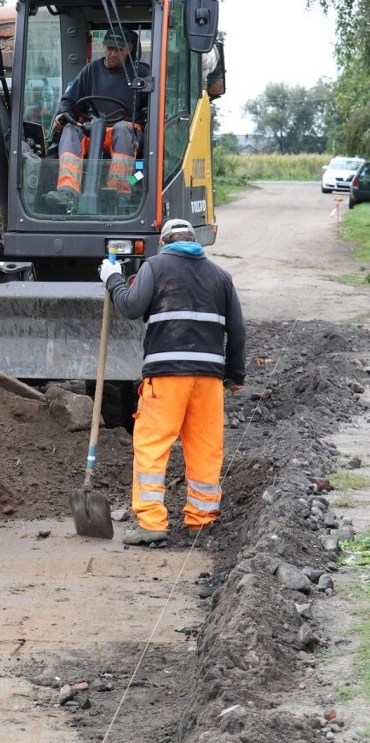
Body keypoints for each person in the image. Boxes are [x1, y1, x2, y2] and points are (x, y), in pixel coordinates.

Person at [98, 218, 246, 546]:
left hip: (166, 376)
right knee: (205, 446)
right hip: (208, 380)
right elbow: (237, 330)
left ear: (164, 243)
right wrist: (235, 375)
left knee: (152, 445)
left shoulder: (155, 266)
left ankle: (151, 522)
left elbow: (131, 307)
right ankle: (200, 519)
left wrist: (113, 280)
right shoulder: (221, 276)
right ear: (195, 243)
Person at [45, 27, 148, 211]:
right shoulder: (90, 70)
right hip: (92, 130)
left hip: (127, 132)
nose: (112, 53)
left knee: (123, 129)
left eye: (119, 49)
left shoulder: (141, 74)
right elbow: (68, 100)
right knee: (70, 130)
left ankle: (120, 193)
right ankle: (67, 192)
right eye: (109, 48)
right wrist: (63, 114)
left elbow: (154, 107)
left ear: (130, 48)